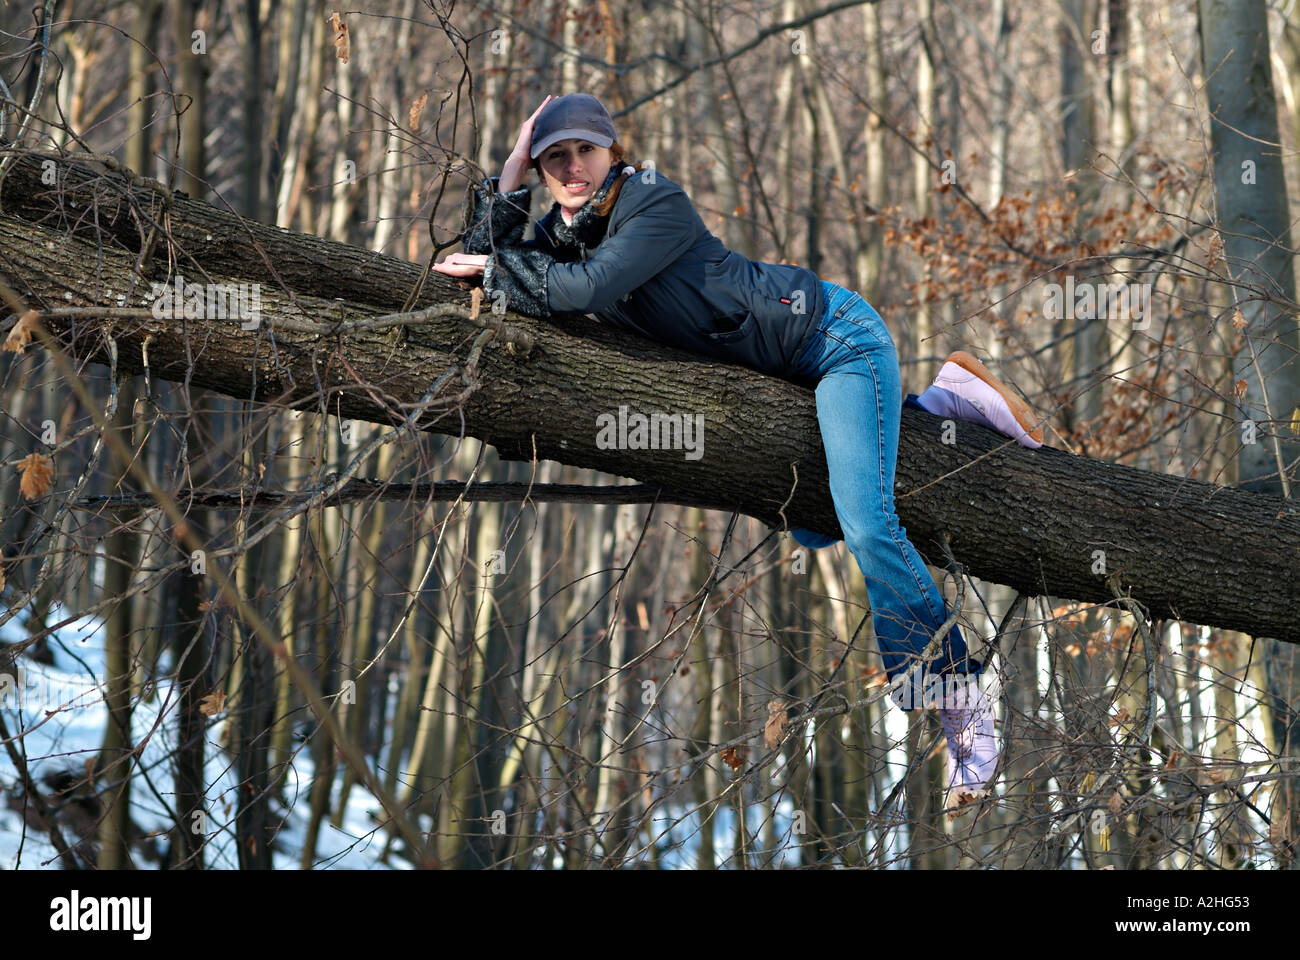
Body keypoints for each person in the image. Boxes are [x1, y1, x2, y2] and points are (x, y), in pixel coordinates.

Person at [434, 92, 1045, 809]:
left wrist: (505, 273)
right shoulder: (567, 230)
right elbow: (481, 261)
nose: (571, 168)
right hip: (788, 378)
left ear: (612, 151)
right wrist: (506, 174)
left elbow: (583, 288)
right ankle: (944, 407)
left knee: (867, 523)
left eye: (584, 151)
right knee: (812, 520)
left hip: (834, 339)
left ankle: (958, 693)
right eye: (553, 157)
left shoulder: (653, 202)